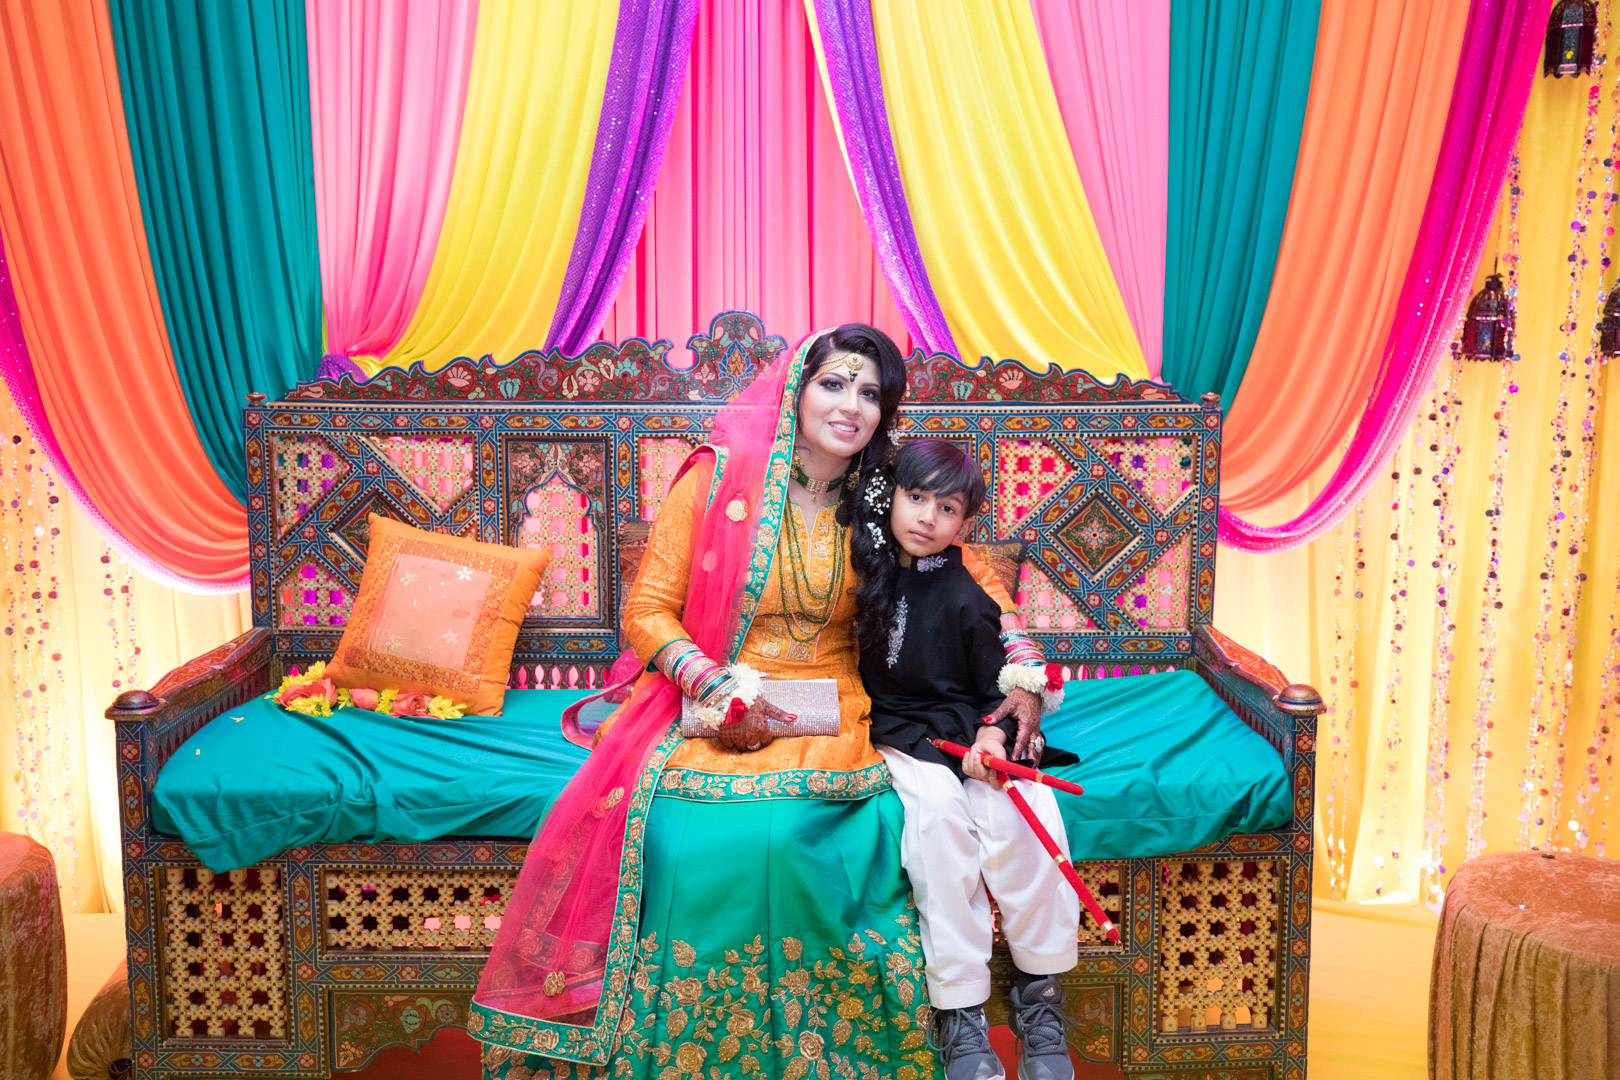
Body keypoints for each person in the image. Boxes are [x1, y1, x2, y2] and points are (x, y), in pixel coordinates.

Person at [470, 326, 1048, 1080]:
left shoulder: (886, 495)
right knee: (686, 834)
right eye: (833, 384)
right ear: (797, 390)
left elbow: (974, 584)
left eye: (870, 393)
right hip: (719, 693)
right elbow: (647, 609)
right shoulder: (717, 479)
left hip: (841, 700)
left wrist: (1022, 675)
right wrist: (714, 684)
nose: (850, 406)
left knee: (788, 832)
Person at [853, 440, 1079, 1080]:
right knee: (937, 823)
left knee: (1029, 809)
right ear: (891, 497)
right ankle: (961, 1011)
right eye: (915, 498)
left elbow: (999, 683)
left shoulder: (972, 585)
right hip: (898, 731)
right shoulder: (859, 567)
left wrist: (993, 738)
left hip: (970, 730)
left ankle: (1040, 997)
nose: (927, 518)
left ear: (965, 521)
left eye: (947, 507)